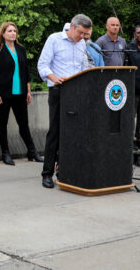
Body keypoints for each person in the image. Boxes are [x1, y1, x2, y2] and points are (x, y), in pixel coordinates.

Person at [37, 14, 92, 189]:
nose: (83, 37)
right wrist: (54, 77)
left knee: (73, 132)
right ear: (73, 27)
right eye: (81, 33)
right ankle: (47, 173)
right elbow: (42, 65)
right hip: (58, 91)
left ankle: (66, 170)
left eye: (85, 34)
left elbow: (83, 67)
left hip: (77, 92)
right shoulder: (54, 39)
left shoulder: (82, 43)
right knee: (55, 132)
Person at [0, 22, 43, 166]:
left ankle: (32, 151)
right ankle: (5, 153)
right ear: (3, 34)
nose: (13, 33)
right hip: (4, 94)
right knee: (2, 124)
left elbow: (25, 72)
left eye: (14, 31)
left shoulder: (21, 49)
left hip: (20, 93)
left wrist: (28, 91)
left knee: (24, 124)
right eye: (9, 31)